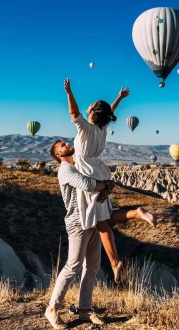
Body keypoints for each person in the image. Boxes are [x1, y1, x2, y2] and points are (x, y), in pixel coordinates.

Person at [45, 140, 158, 330]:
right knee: (73, 265)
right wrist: (105, 185)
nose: (66, 143)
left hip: (94, 220)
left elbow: (103, 183)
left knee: (92, 267)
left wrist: (106, 186)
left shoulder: (82, 166)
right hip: (77, 223)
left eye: (65, 142)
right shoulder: (65, 169)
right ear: (58, 154)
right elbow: (86, 184)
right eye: (61, 145)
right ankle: (53, 309)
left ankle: (85, 310)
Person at [63, 78, 155, 283]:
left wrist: (69, 92)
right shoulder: (102, 130)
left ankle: (115, 263)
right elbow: (109, 112)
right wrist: (119, 99)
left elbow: (74, 113)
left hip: (87, 173)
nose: (88, 106)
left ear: (93, 113)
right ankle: (136, 213)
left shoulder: (86, 129)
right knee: (105, 218)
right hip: (99, 170)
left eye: (92, 106)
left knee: (101, 222)